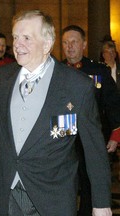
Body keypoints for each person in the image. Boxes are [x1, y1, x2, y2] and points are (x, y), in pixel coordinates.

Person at [0, 10, 112, 216]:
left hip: (53, 197)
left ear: (47, 43)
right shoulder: (1, 78)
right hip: (9, 193)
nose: (17, 44)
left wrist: (101, 202)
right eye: (15, 37)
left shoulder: (77, 85)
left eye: (26, 38)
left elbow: (94, 150)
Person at [61, 25, 120, 216]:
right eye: (65, 43)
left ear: (84, 44)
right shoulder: (55, 71)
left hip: (91, 137)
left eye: (74, 42)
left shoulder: (98, 71)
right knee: (64, 183)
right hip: (62, 136)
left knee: (89, 182)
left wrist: (116, 133)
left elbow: (112, 103)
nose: (69, 47)